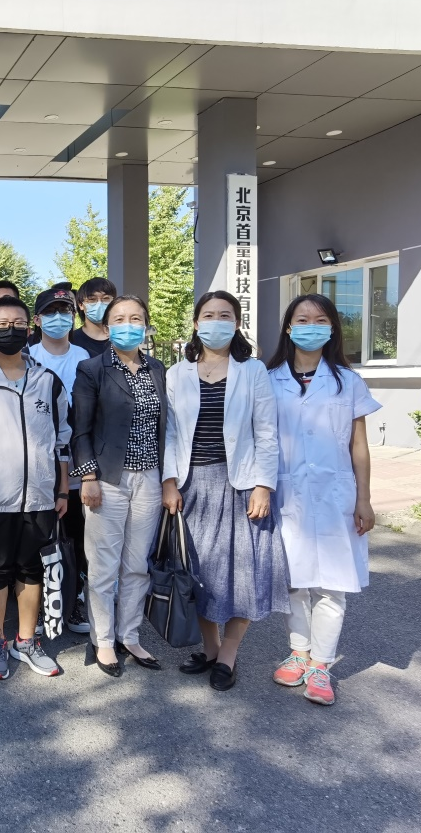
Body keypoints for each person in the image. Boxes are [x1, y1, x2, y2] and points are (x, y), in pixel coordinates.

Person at [162, 291, 289, 691]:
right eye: (208, 314)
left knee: (242, 572)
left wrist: (264, 485)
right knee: (199, 573)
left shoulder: (252, 371)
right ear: (196, 323)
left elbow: (266, 433)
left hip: (242, 484)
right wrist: (169, 481)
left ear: (236, 323)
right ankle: (210, 648)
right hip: (192, 484)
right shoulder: (177, 373)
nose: (216, 321)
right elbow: (170, 433)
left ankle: (229, 654)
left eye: (225, 315)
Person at [265, 294, 379, 706]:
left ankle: (321, 665)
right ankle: (299, 652)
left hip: (335, 496)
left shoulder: (348, 381)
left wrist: (364, 499)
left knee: (331, 585)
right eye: (302, 319)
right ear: (288, 327)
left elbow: (359, 446)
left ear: (332, 328)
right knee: (294, 580)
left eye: (320, 320)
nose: (310, 326)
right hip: (287, 493)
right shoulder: (270, 379)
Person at [0, 296, 70, 681]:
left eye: (18, 323)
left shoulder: (48, 381)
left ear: (30, 327)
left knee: (31, 568)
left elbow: (62, 440)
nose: (11, 330)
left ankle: (25, 640)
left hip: (40, 497)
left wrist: (62, 490)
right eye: (2, 324)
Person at [73, 295, 167, 678]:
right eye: (120, 319)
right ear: (108, 327)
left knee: (137, 564)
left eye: (136, 318)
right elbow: (80, 430)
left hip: (150, 478)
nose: (129, 325)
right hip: (107, 479)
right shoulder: (92, 369)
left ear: (145, 324)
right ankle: (104, 640)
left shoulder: (157, 368)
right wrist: (88, 477)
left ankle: (130, 635)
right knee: (103, 566)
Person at [27, 286, 92, 634]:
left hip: (77, 461)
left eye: (65, 311)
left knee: (76, 538)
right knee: (39, 538)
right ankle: (42, 605)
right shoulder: (28, 355)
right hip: (37, 463)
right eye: (50, 312)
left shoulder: (84, 357)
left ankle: (73, 600)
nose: (58, 318)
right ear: (37, 320)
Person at [72, 277, 116, 357]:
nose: (99, 304)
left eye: (106, 298)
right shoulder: (71, 341)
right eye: (92, 299)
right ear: (80, 305)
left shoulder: (121, 339)